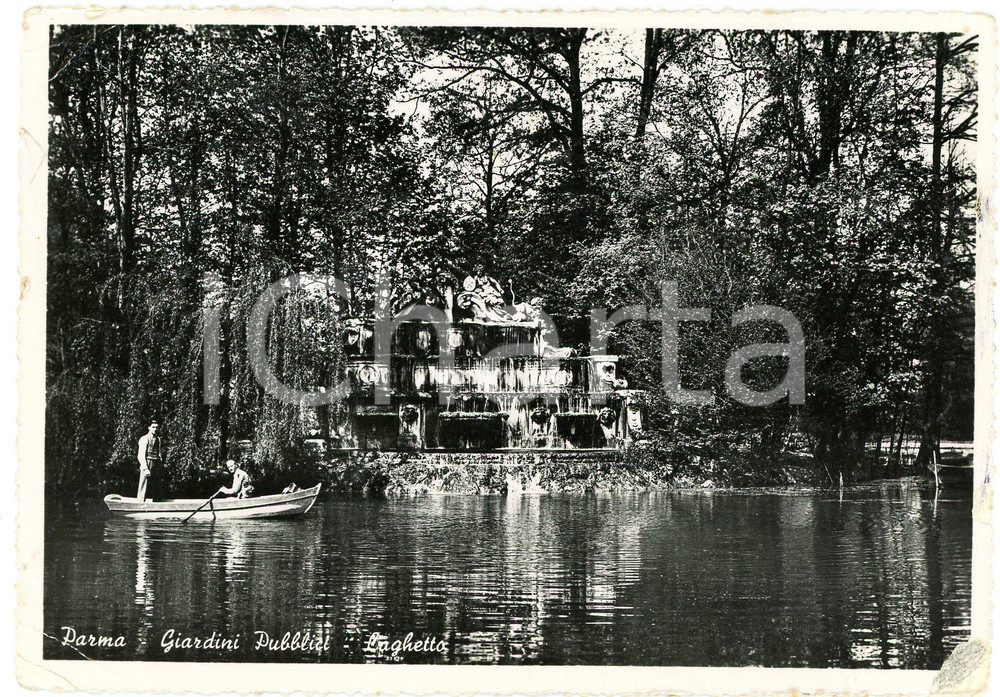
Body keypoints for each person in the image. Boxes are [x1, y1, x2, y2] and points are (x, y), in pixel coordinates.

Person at [136, 421, 163, 501]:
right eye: (153, 427)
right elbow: (141, 454)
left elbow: (159, 452)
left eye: (156, 427)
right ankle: (140, 503)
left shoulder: (158, 439)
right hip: (148, 462)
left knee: (157, 485)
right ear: (149, 428)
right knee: (144, 484)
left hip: (156, 463)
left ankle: (157, 504)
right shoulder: (144, 439)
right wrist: (145, 468)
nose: (155, 429)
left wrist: (160, 462)